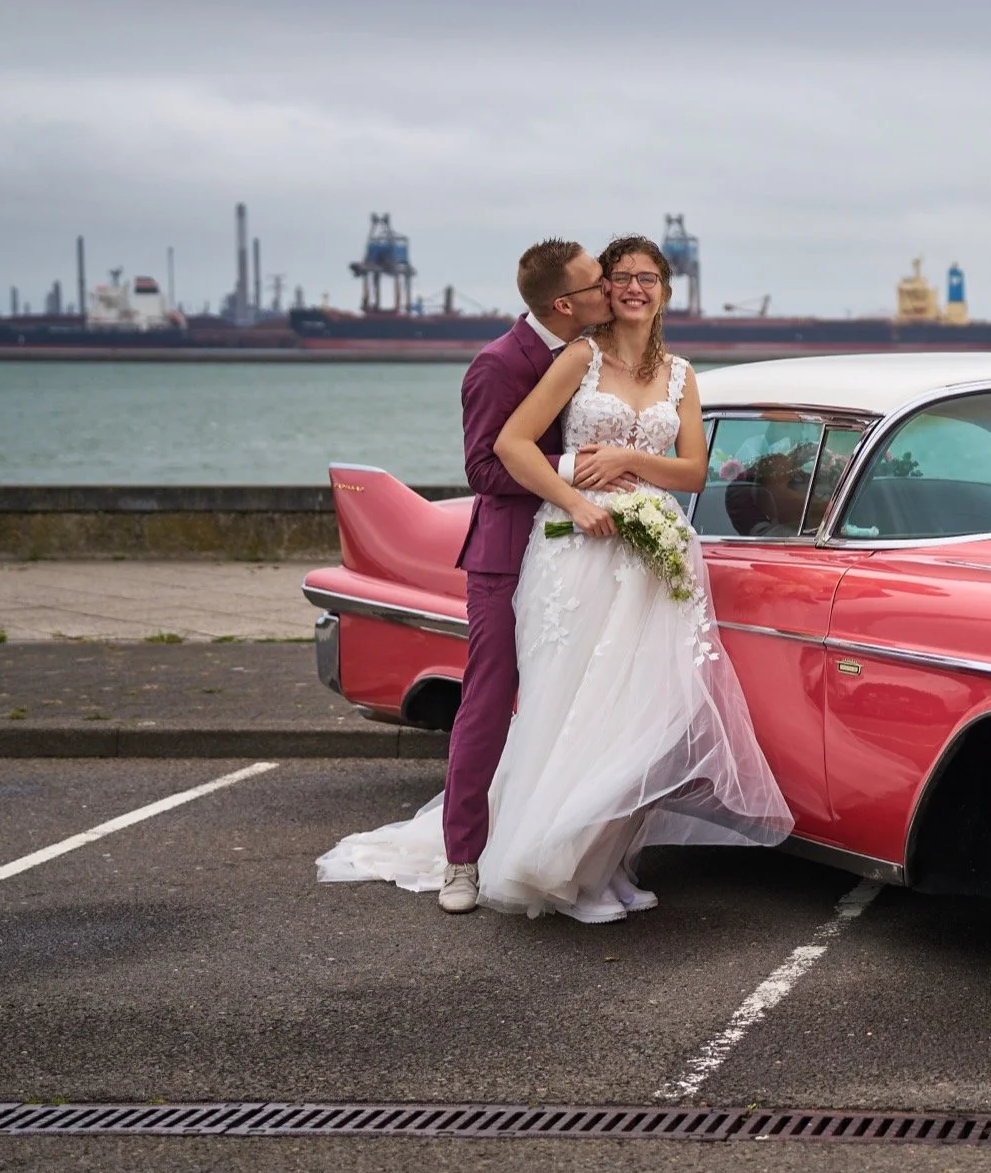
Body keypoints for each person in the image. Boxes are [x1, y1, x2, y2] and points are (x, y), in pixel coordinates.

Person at [318, 235, 789, 921]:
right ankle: (464, 859)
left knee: (626, 707)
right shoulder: (519, 361)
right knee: (502, 702)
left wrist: (625, 463)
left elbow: (691, 468)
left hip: (637, 554)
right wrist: (576, 480)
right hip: (528, 549)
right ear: (570, 301)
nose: (619, 288)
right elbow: (490, 464)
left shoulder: (674, 370)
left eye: (638, 277)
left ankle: (603, 860)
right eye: (608, 279)